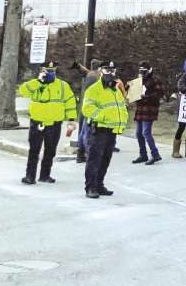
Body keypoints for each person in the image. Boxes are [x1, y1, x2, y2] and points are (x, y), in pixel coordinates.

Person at [17, 61, 77, 185]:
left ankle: (45, 175)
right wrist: (38, 81)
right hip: (37, 122)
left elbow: (70, 102)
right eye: (46, 71)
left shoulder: (62, 85)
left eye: (52, 71)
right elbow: (23, 91)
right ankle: (30, 176)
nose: (50, 73)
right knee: (34, 150)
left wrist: (71, 120)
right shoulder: (36, 84)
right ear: (41, 71)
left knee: (50, 150)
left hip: (54, 124)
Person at [81, 61, 128, 199]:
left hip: (111, 131)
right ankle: (90, 187)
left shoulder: (115, 90)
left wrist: (121, 123)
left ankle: (99, 185)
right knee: (94, 160)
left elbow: (121, 107)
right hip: (98, 130)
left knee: (105, 159)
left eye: (113, 71)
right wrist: (105, 117)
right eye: (108, 70)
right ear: (101, 71)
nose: (111, 74)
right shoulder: (93, 89)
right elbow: (87, 109)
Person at [131, 61, 167, 165]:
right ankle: (143, 155)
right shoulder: (139, 81)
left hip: (150, 109)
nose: (142, 73)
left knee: (146, 133)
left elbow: (159, 94)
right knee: (138, 133)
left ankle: (155, 155)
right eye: (140, 71)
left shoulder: (155, 80)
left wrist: (145, 97)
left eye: (144, 71)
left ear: (149, 70)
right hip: (141, 109)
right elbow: (133, 94)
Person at [72, 59, 101, 163]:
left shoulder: (90, 75)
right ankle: (87, 154)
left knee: (82, 130)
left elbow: (83, 70)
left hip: (83, 106)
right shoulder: (97, 77)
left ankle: (80, 155)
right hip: (91, 107)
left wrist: (78, 66)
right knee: (87, 132)